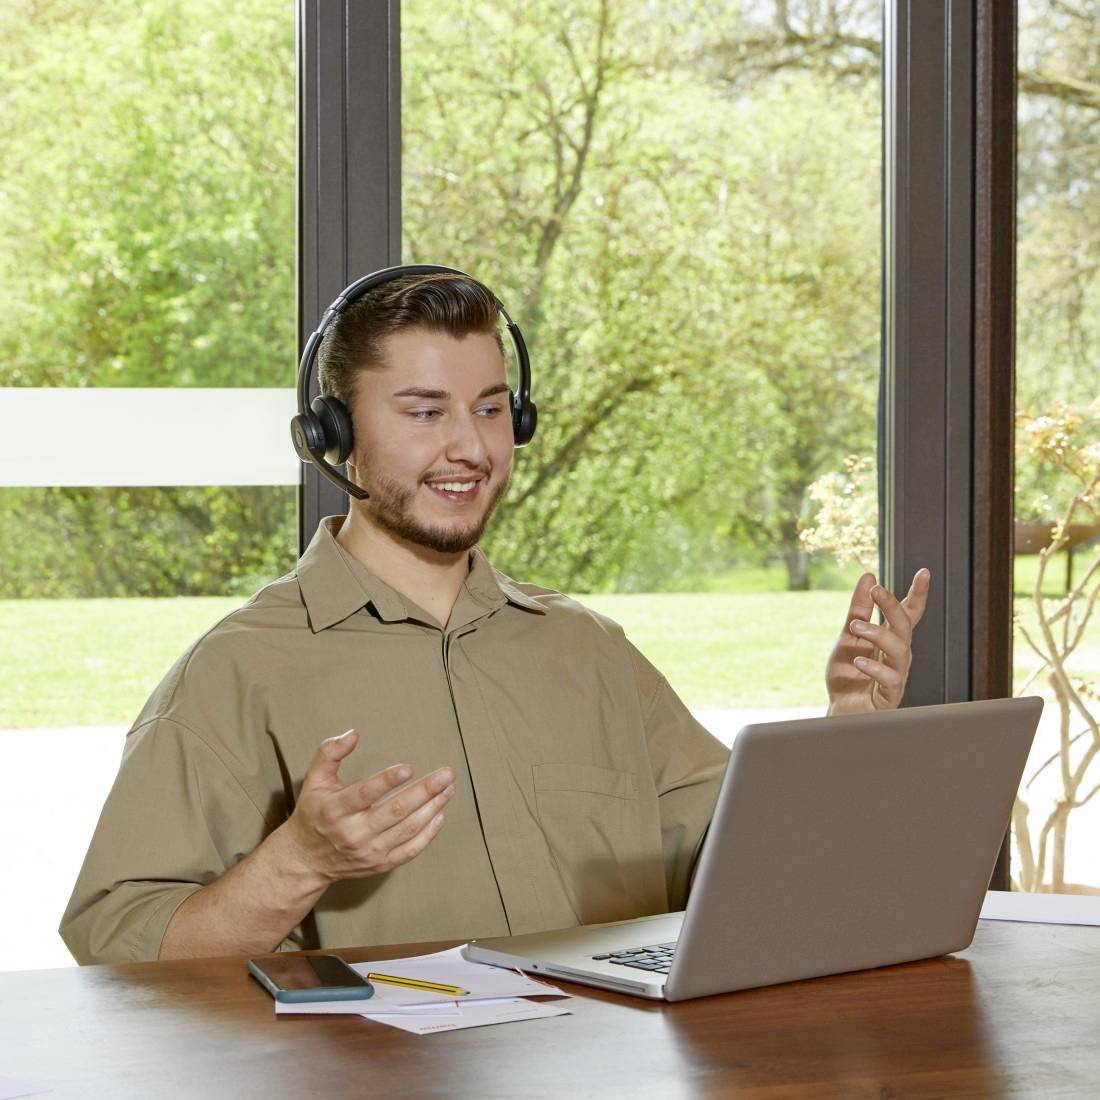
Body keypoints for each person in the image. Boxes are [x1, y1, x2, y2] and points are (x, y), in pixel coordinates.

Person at [60, 271, 930, 964]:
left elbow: (739, 869)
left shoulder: (588, 650)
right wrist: (304, 860)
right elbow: (116, 948)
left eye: (488, 409)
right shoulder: (238, 671)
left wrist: (847, 733)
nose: (470, 448)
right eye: (424, 412)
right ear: (335, 436)